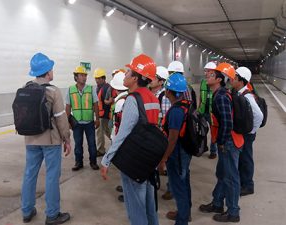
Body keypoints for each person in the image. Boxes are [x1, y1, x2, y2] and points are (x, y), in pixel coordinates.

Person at [101, 54, 160, 225]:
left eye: (128, 72)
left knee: (136, 209)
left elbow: (122, 135)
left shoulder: (133, 100)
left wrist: (106, 160)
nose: (125, 75)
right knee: (149, 206)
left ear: (135, 78)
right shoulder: (153, 98)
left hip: (134, 161)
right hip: (149, 160)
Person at [21, 53, 71, 225]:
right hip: (51, 141)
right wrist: (67, 138)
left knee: (29, 174)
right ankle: (52, 214)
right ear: (47, 72)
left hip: (30, 141)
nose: (52, 71)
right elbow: (61, 118)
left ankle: (27, 211)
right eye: (51, 69)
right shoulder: (53, 90)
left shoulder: (25, 88)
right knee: (51, 176)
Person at [199, 63, 244, 223]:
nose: (207, 76)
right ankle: (218, 203)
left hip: (229, 142)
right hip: (226, 141)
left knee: (231, 177)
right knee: (222, 174)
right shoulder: (219, 94)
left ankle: (233, 212)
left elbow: (227, 122)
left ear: (219, 79)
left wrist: (222, 142)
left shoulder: (221, 97)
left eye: (211, 75)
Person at [159, 72, 192, 225]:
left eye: (166, 88)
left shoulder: (176, 111)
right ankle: (185, 213)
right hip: (184, 151)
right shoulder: (186, 104)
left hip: (177, 154)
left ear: (170, 91)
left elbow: (172, 139)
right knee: (184, 183)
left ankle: (182, 220)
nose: (165, 90)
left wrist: (164, 158)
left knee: (178, 187)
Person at [230, 67, 263, 196]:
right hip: (245, 133)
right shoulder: (239, 93)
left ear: (242, 81)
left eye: (235, 78)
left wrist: (251, 131)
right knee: (243, 159)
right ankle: (244, 182)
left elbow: (259, 116)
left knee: (246, 159)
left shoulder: (247, 96)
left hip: (247, 134)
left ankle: (248, 185)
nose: (232, 79)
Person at [65, 66, 100, 171]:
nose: (84, 77)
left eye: (85, 75)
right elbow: (68, 106)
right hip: (77, 123)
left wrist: (97, 119)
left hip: (89, 122)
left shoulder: (90, 89)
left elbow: (95, 105)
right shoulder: (70, 89)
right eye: (81, 75)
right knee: (78, 144)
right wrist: (68, 121)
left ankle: (93, 162)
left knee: (92, 144)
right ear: (76, 77)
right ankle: (78, 162)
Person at [109, 71, 129, 203]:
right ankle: (125, 187)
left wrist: (115, 142)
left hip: (122, 141)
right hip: (126, 140)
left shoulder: (120, 103)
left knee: (125, 167)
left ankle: (127, 193)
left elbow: (119, 125)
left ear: (115, 89)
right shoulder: (128, 97)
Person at [198, 62, 218, 159]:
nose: (206, 73)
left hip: (212, 113)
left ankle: (213, 151)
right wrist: (198, 108)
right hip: (202, 111)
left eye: (208, 71)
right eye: (205, 71)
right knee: (202, 131)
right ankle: (202, 148)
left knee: (213, 132)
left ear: (213, 72)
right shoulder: (203, 82)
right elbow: (200, 96)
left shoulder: (216, 83)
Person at [94, 68, 112, 156]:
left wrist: (106, 115)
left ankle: (101, 150)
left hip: (104, 115)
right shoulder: (99, 87)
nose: (96, 80)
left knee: (103, 132)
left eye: (98, 78)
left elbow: (108, 103)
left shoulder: (106, 88)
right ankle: (117, 142)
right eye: (96, 78)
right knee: (105, 131)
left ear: (103, 78)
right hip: (101, 114)